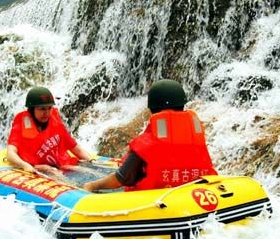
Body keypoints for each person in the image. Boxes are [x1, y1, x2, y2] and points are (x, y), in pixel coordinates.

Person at [83, 79, 217, 192]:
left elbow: (121, 178)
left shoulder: (147, 143)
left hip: (156, 204)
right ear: (182, 106)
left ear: (152, 109)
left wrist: (92, 185)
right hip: (192, 194)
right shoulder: (195, 136)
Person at [6, 86, 93, 174]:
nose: (46, 113)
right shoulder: (21, 125)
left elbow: (77, 149)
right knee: (53, 171)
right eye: (42, 109)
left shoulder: (55, 121)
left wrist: (92, 162)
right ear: (32, 110)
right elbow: (10, 153)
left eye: (49, 108)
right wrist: (24, 165)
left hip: (62, 165)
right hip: (40, 168)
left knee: (88, 171)